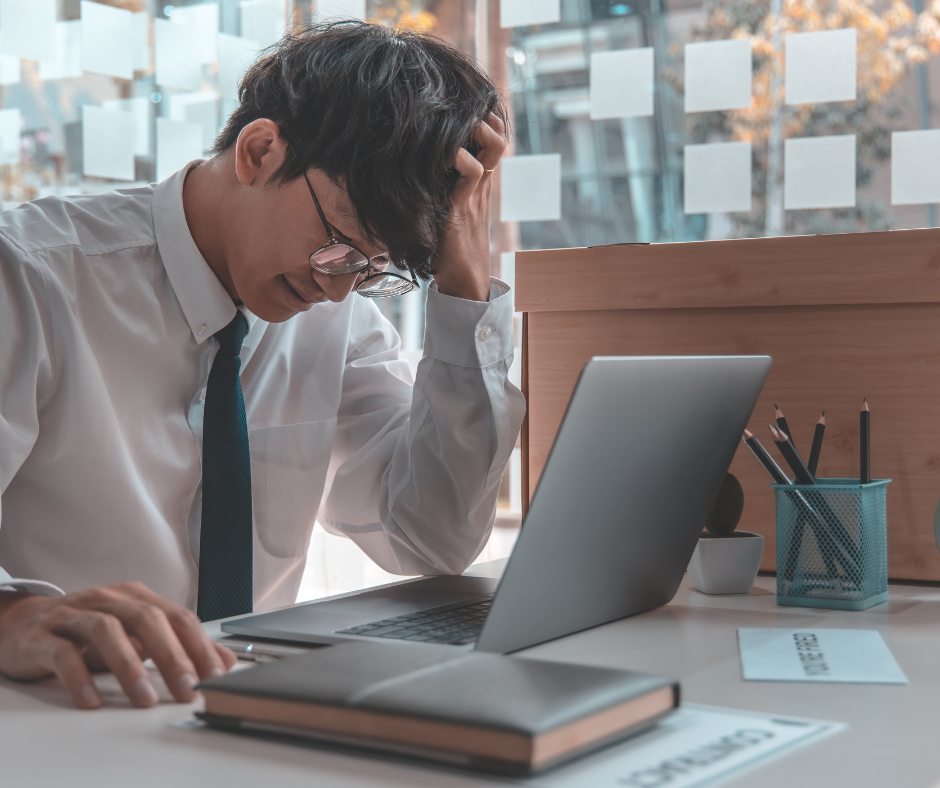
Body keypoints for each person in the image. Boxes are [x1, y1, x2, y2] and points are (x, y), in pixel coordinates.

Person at [0, 22, 524, 711]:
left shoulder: (337, 319)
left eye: (374, 269)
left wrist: (463, 287)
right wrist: (11, 618)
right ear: (259, 150)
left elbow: (432, 539)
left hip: (242, 711)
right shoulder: (31, 279)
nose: (339, 287)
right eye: (339, 246)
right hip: (60, 715)